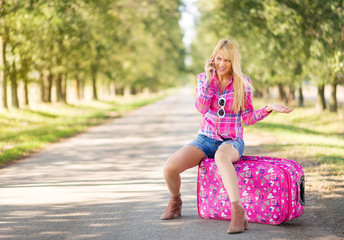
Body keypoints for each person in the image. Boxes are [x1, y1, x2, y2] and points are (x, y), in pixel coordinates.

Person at [160, 39, 293, 234]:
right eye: (219, 59)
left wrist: (267, 109)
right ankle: (175, 202)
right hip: (205, 140)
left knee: (221, 157)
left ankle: (238, 212)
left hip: (232, 141)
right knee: (170, 167)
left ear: (234, 63)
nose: (222, 64)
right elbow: (201, 108)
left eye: (227, 60)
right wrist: (207, 79)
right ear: (212, 59)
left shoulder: (242, 83)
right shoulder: (202, 79)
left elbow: (246, 118)